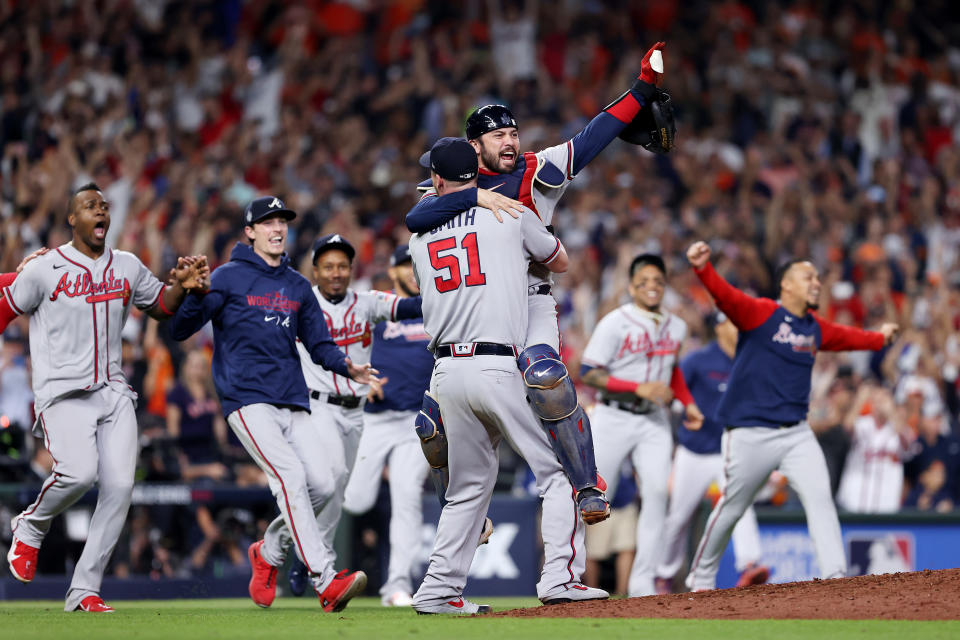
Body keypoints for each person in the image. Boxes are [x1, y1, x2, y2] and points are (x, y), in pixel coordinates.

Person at [403, 42, 674, 523]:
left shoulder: (536, 167)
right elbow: (415, 215)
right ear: (474, 147)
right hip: (475, 310)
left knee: (546, 377)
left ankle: (588, 485)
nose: (509, 142)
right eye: (497, 136)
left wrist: (641, 88)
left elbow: (595, 135)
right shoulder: (446, 187)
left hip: (528, 301)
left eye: (513, 132)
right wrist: (478, 199)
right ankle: (464, 511)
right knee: (431, 426)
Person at [409, 137, 607, 614]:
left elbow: (426, 224)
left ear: (438, 180)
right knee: (558, 469)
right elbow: (558, 260)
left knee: (467, 489)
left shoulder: (418, 237)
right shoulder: (511, 215)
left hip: (446, 372)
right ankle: (560, 577)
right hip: (497, 362)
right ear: (475, 172)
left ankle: (437, 590)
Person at [3, 183, 207, 613]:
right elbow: (6, 305)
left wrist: (182, 286)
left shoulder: (127, 265)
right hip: (63, 392)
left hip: (113, 391)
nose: (100, 210)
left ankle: (84, 591)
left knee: (119, 487)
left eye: (104, 205)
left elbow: (161, 308)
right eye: (89, 205)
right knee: (77, 475)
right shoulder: (46, 268)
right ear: (72, 218)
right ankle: (31, 526)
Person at [169, 195, 376, 613]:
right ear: (250, 231)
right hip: (247, 401)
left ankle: (268, 552)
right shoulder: (226, 277)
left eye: (282, 221)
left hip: (292, 400)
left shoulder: (298, 285)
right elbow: (180, 328)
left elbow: (319, 346)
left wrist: (346, 367)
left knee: (327, 481)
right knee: (290, 477)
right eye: (267, 222)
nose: (277, 228)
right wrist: (190, 295)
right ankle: (325, 578)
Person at [684, 241, 899, 591]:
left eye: (816, 277)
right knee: (732, 508)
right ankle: (701, 576)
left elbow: (848, 337)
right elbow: (727, 298)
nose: (816, 282)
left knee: (820, 499)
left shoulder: (813, 327)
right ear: (787, 285)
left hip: (796, 434)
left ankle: (835, 577)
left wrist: (879, 338)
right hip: (751, 432)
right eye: (807, 276)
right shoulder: (762, 313)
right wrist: (703, 269)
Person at [280, 232, 421, 597]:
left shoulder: (366, 302)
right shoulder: (299, 303)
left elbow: (412, 308)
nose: (336, 272)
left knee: (396, 497)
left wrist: (454, 288)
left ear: (351, 268)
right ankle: (304, 553)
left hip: (386, 417)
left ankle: (396, 586)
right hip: (324, 406)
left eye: (343, 265)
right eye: (328, 265)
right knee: (340, 490)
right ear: (314, 270)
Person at [580, 254, 704, 597]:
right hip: (613, 415)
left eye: (658, 281)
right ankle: (567, 573)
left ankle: (642, 581)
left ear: (665, 286)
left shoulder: (676, 326)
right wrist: (637, 387)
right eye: (644, 281)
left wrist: (689, 403)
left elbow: (672, 369)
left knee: (658, 493)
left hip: (653, 419)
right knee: (591, 494)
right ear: (632, 285)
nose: (652, 287)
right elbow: (588, 372)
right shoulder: (615, 322)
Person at [341, 244, 433, 607]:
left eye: (418, 266)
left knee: (407, 497)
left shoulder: (437, 307)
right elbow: (344, 354)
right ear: (392, 272)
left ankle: (396, 585)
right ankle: (307, 552)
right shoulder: (378, 309)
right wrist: (362, 384)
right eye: (405, 266)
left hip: (416, 422)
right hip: (374, 421)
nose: (412, 272)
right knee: (356, 500)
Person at [655, 313, 769, 594]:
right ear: (718, 328)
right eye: (732, 322)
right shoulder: (699, 359)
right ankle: (664, 575)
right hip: (693, 450)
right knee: (678, 518)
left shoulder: (748, 360)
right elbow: (672, 389)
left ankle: (749, 564)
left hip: (729, 452)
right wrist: (683, 406)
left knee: (740, 505)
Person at [836, 384, 911, 513]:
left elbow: (908, 444)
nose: (881, 404)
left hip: (885, 497)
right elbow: (847, 427)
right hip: (856, 494)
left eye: (884, 399)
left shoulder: (898, 427)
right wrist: (860, 400)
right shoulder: (862, 423)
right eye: (877, 400)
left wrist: (892, 413)